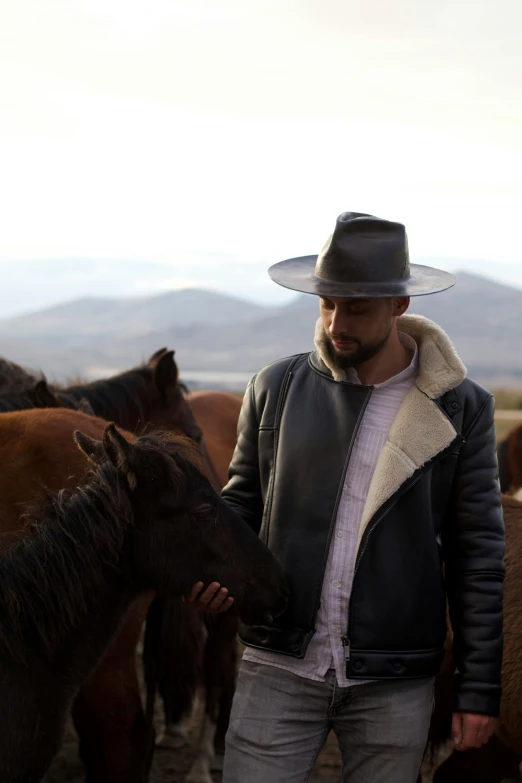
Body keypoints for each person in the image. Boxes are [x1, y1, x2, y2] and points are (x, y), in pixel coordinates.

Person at [185, 211, 505, 783]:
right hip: (277, 665)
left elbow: (477, 556)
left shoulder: (463, 408)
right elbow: (241, 506)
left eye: (356, 307)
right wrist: (215, 574)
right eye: (327, 303)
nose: (336, 322)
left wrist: (478, 690)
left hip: (396, 682)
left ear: (399, 305)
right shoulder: (275, 388)